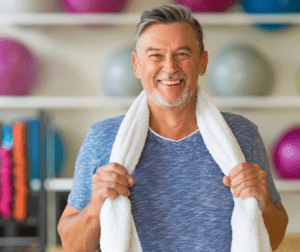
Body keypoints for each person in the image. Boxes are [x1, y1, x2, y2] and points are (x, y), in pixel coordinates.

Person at [58, 4, 289, 252]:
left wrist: (262, 201)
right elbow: (72, 245)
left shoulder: (242, 135)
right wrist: (95, 207)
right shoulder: (102, 139)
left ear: (202, 62)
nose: (169, 67)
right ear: (136, 65)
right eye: (155, 55)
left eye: (182, 54)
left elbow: (273, 239)